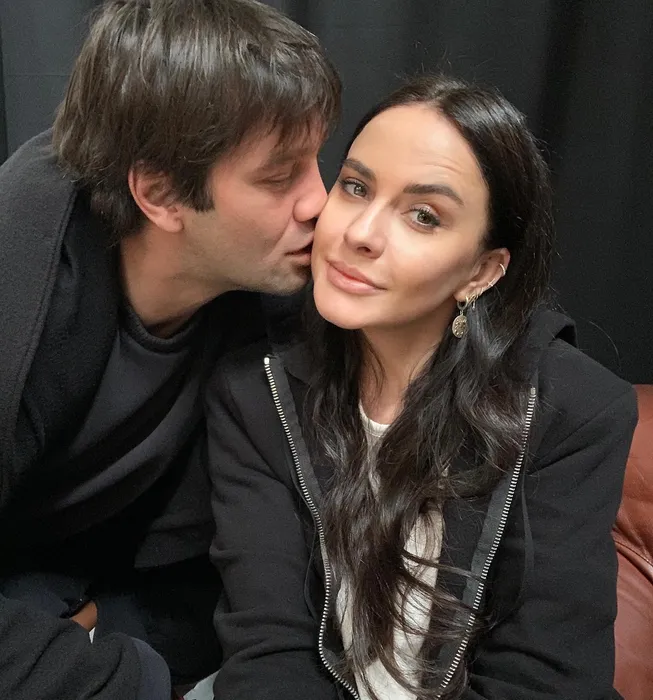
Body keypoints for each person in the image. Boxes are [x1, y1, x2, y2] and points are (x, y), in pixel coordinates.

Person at [206, 74, 637, 700]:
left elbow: (542, 677)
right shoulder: (257, 393)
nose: (360, 233)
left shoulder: (571, 411)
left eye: (424, 216)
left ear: (481, 271)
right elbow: (268, 650)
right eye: (355, 187)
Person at [0, 0, 340, 698]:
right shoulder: (19, 288)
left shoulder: (276, 306)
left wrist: (117, 630)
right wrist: (123, 676)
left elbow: (252, 573)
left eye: (316, 162)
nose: (322, 201)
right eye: (279, 176)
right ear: (159, 194)